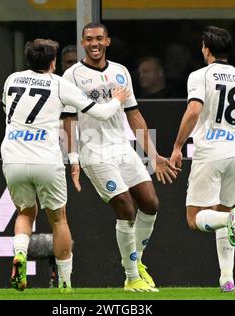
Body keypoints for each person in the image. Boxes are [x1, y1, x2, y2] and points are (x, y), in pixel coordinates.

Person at [1, 38, 130, 293]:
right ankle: (65, 283)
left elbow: (7, 112)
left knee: (25, 212)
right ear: (52, 62)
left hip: (13, 156)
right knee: (59, 219)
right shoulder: (60, 84)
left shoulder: (11, 80)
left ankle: (19, 254)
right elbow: (102, 113)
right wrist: (117, 99)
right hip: (46, 159)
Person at [62, 22, 179, 292]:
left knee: (150, 203)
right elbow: (68, 119)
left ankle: (136, 262)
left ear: (108, 42)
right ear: (83, 43)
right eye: (89, 39)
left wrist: (153, 155)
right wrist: (73, 157)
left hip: (122, 147)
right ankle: (131, 276)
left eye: (99, 39)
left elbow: (134, 115)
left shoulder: (121, 72)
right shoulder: (72, 75)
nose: (94, 43)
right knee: (126, 208)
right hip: (94, 152)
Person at [169, 26, 235, 292]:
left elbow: (193, 110)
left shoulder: (200, 75)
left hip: (210, 153)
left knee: (196, 218)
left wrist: (178, 146)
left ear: (206, 48)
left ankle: (229, 220)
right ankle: (227, 279)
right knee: (224, 212)